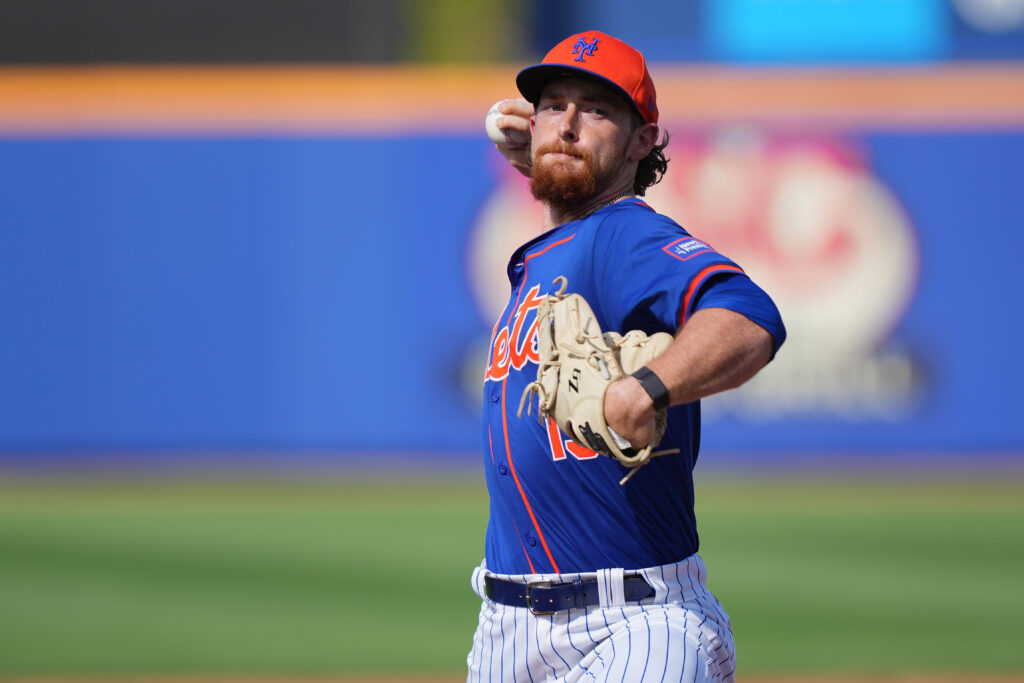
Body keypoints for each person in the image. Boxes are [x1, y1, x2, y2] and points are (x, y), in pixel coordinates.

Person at [467, 30, 786, 682]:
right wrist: (550, 159)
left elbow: (749, 317)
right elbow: (571, 175)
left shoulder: (622, 231)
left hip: (633, 625)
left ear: (643, 142)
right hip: (504, 632)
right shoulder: (560, 246)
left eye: (597, 110)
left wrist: (646, 387)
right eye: (553, 106)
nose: (568, 123)